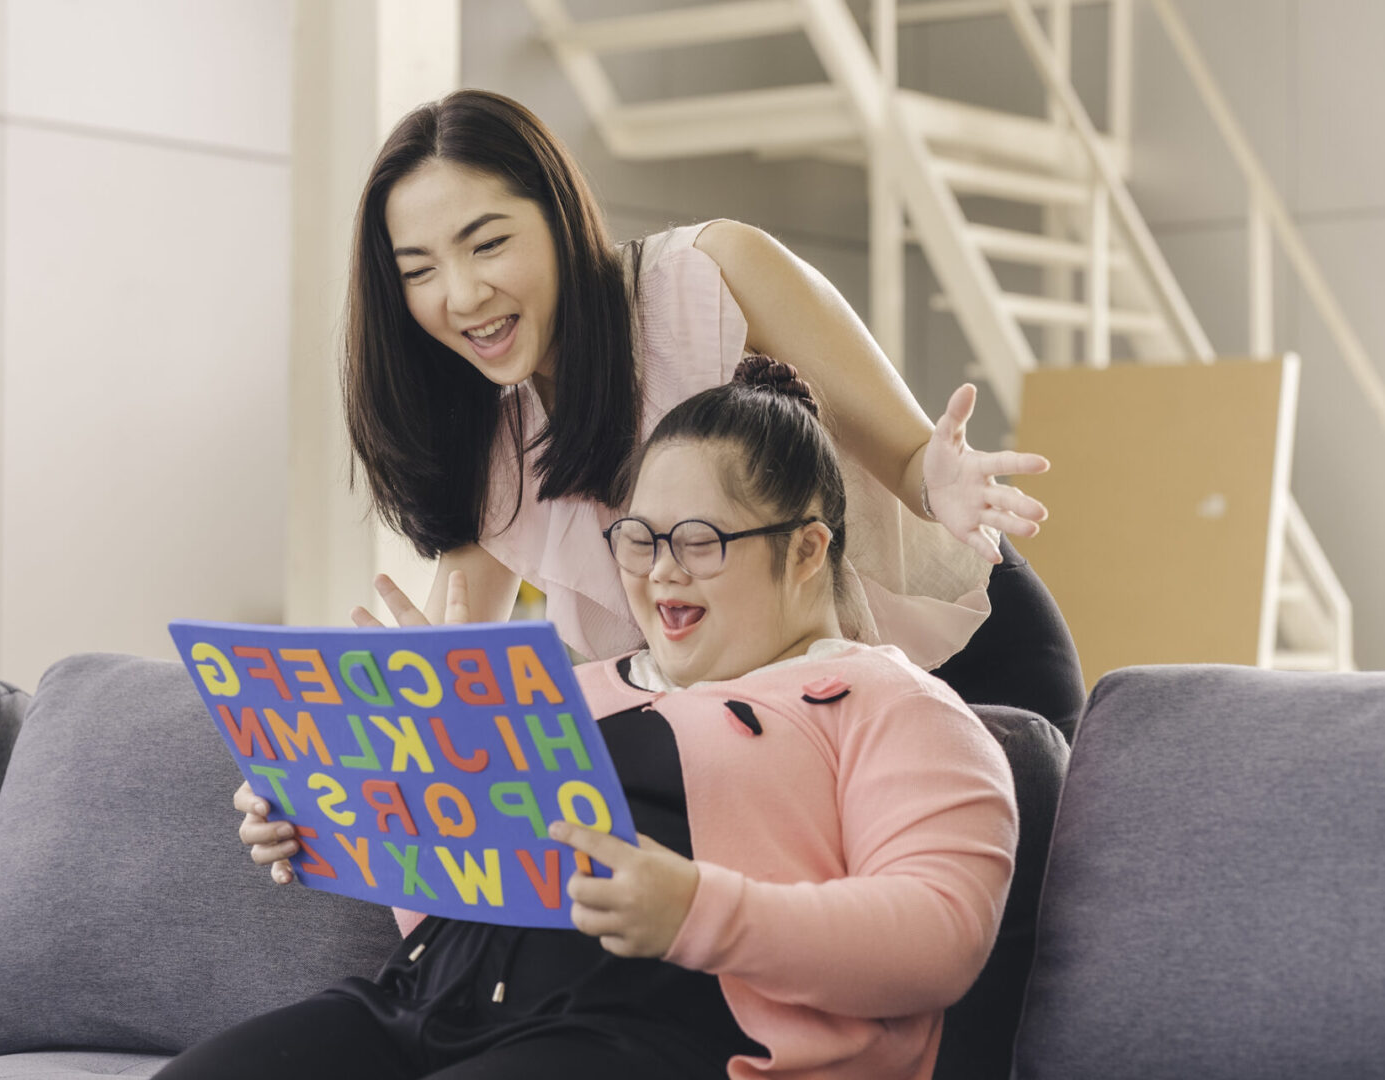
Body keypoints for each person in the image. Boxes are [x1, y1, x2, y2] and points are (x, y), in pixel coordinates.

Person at [175, 358, 1016, 1079]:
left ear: (805, 549)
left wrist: (695, 909)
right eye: (639, 540)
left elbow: (940, 937)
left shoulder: (890, 705)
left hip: (655, 1036)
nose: (658, 575)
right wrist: (343, 805)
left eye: (697, 541)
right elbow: (467, 896)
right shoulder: (569, 690)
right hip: (419, 1002)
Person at [342, 88, 1084, 739]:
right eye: (420, 271)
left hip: (961, 666)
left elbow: (911, 457)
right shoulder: (495, 449)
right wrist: (363, 745)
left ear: (559, 216)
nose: (463, 294)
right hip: (797, 729)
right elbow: (445, 685)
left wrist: (939, 481)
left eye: (490, 243)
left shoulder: (709, 277)